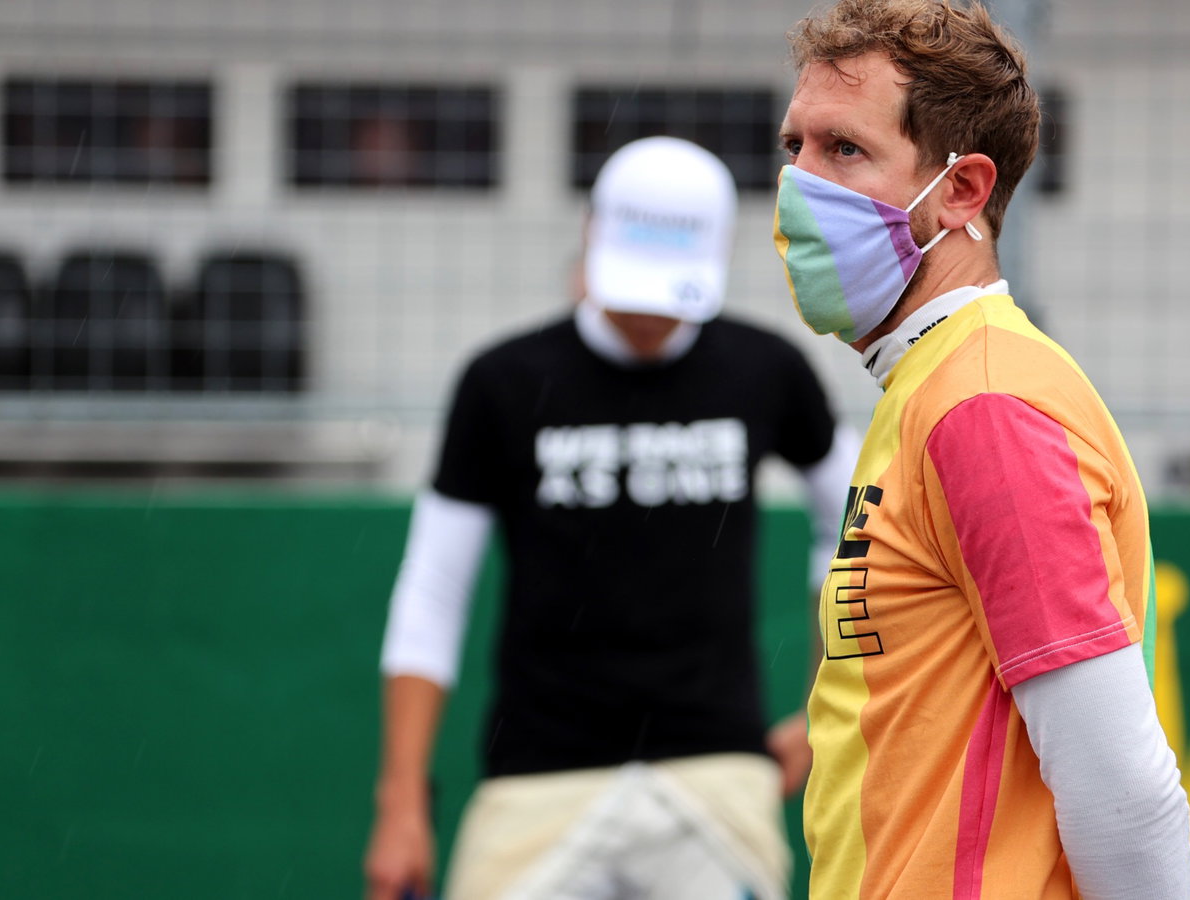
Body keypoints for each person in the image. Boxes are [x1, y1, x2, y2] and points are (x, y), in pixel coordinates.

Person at [770, 1, 1190, 897]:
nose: (799, 185)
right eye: (794, 147)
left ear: (963, 189)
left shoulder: (986, 404)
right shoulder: (934, 387)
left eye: (844, 149)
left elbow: (1121, 788)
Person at [364, 135, 857, 900]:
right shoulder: (501, 383)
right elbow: (432, 590)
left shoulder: (767, 370)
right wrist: (400, 801)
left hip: (716, 773)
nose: (648, 314)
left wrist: (829, 703)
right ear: (591, 236)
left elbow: (861, 522)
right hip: (538, 773)